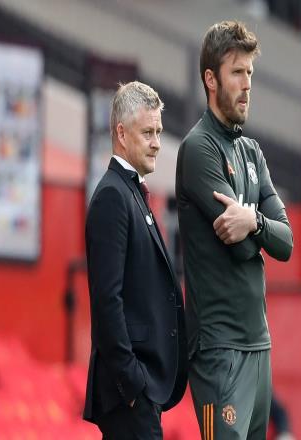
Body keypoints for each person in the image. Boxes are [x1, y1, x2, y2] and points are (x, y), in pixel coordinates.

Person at [175, 21, 293, 439]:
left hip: (258, 345)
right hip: (218, 352)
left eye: (250, 73)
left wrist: (253, 221)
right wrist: (260, 230)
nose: (247, 85)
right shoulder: (198, 148)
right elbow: (244, 250)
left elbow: (286, 242)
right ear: (211, 79)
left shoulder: (251, 151)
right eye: (237, 72)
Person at [83, 81, 187, 439]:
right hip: (129, 393)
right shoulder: (113, 196)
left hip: (140, 390)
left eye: (158, 132)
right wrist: (131, 383)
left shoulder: (130, 192)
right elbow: (106, 300)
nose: (157, 142)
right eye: (148, 132)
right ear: (122, 134)